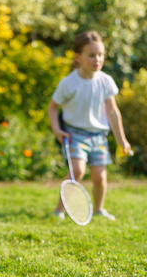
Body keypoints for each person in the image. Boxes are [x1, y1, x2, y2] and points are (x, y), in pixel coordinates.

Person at [48, 31, 131, 221]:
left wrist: (122, 140)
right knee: (77, 170)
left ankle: (99, 210)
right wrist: (57, 130)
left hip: (98, 136)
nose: (97, 59)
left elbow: (113, 111)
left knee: (99, 177)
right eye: (92, 55)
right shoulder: (68, 83)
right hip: (74, 134)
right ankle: (59, 210)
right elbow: (52, 108)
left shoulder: (106, 81)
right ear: (78, 58)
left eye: (101, 54)